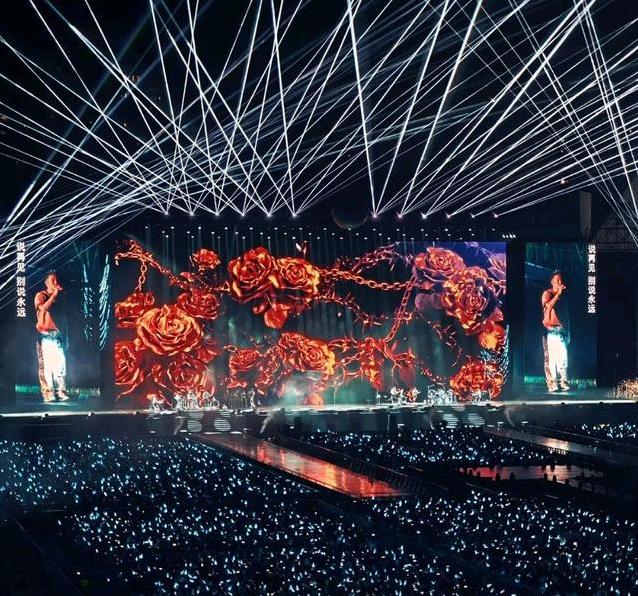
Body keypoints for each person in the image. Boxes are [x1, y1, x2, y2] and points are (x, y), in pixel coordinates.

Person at [34, 272, 69, 402]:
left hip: (58, 335)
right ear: (46, 282)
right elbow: (43, 308)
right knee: (47, 367)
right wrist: (54, 295)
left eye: (56, 280)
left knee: (60, 365)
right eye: (53, 280)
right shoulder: (41, 295)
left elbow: (64, 317)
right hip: (46, 335)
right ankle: (48, 393)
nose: (56, 283)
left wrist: (66, 336)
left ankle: (61, 392)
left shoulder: (61, 297)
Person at [541, 271, 570, 392]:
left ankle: (563, 382)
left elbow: (566, 315)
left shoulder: (563, 296)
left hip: (562, 331)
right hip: (551, 331)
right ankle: (552, 384)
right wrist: (558, 293)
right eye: (557, 280)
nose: (560, 282)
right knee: (552, 360)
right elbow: (548, 306)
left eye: (561, 280)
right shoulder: (547, 293)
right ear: (552, 282)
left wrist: (568, 331)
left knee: (563, 359)